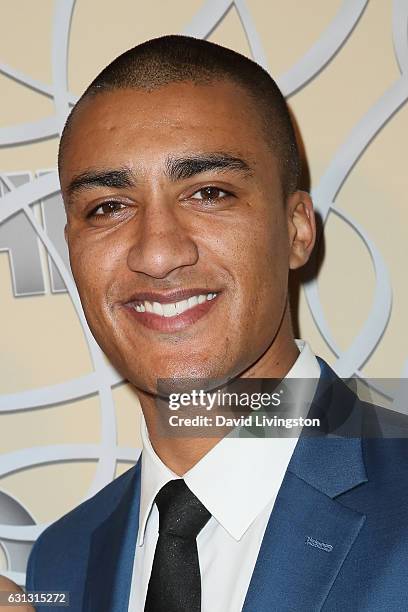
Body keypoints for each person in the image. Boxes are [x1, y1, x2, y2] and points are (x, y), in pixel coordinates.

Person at [25, 35, 408, 611]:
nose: (156, 253)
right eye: (108, 206)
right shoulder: (63, 558)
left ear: (298, 230)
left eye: (209, 193)